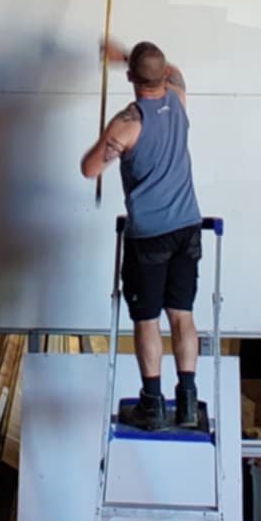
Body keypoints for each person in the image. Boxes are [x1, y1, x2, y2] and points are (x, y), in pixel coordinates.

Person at [80, 39, 203, 430]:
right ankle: (186, 401)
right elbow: (173, 70)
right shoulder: (179, 100)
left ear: (131, 77)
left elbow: (89, 168)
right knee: (182, 314)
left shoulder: (128, 122)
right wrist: (128, 59)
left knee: (147, 318)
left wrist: (107, 138)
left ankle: (153, 402)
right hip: (187, 227)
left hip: (149, 236)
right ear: (163, 74)